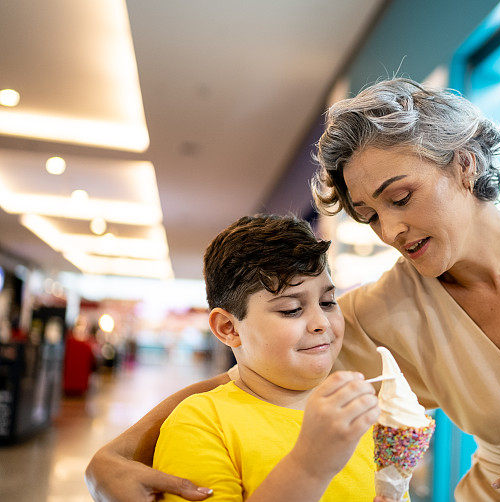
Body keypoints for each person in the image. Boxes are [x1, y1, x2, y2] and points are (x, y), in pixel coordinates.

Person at [86, 79, 500, 501]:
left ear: (463, 165)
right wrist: (110, 458)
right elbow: (253, 376)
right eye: (370, 215)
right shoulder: (384, 310)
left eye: (400, 197)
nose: (391, 230)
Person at [151, 214, 396, 501]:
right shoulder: (201, 422)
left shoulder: (360, 411)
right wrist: (309, 467)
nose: (322, 322)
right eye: (291, 309)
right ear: (228, 328)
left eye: (328, 302)